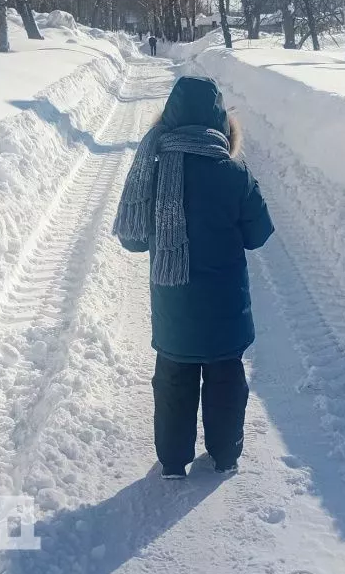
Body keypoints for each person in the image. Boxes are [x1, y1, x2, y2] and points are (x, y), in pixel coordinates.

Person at [113, 77, 274, 479]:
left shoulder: (151, 170)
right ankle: (225, 455)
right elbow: (259, 234)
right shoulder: (234, 172)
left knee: (173, 382)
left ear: (166, 120)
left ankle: (172, 461)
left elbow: (132, 242)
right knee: (225, 379)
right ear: (222, 124)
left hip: (174, 307)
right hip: (226, 308)